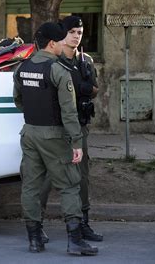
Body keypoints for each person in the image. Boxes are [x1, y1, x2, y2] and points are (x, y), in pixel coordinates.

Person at [13, 22, 98, 256]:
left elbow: (18, 100)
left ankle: (34, 240)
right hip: (54, 135)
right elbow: (68, 111)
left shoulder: (22, 67)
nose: (64, 44)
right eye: (61, 41)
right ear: (52, 43)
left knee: (31, 187)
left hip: (29, 133)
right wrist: (76, 142)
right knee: (70, 185)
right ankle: (75, 241)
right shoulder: (58, 70)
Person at [39, 16, 102, 243]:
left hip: (79, 126)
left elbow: (95, 89)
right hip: (55, 128)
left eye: (80, 32)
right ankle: (36, 225)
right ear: (61, 35)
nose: (76, 36)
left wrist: (87, 88)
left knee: (82, 177)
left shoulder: (86, 61)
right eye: (72, 31)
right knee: (46, 178)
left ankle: (83, 223)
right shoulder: (51, 62)